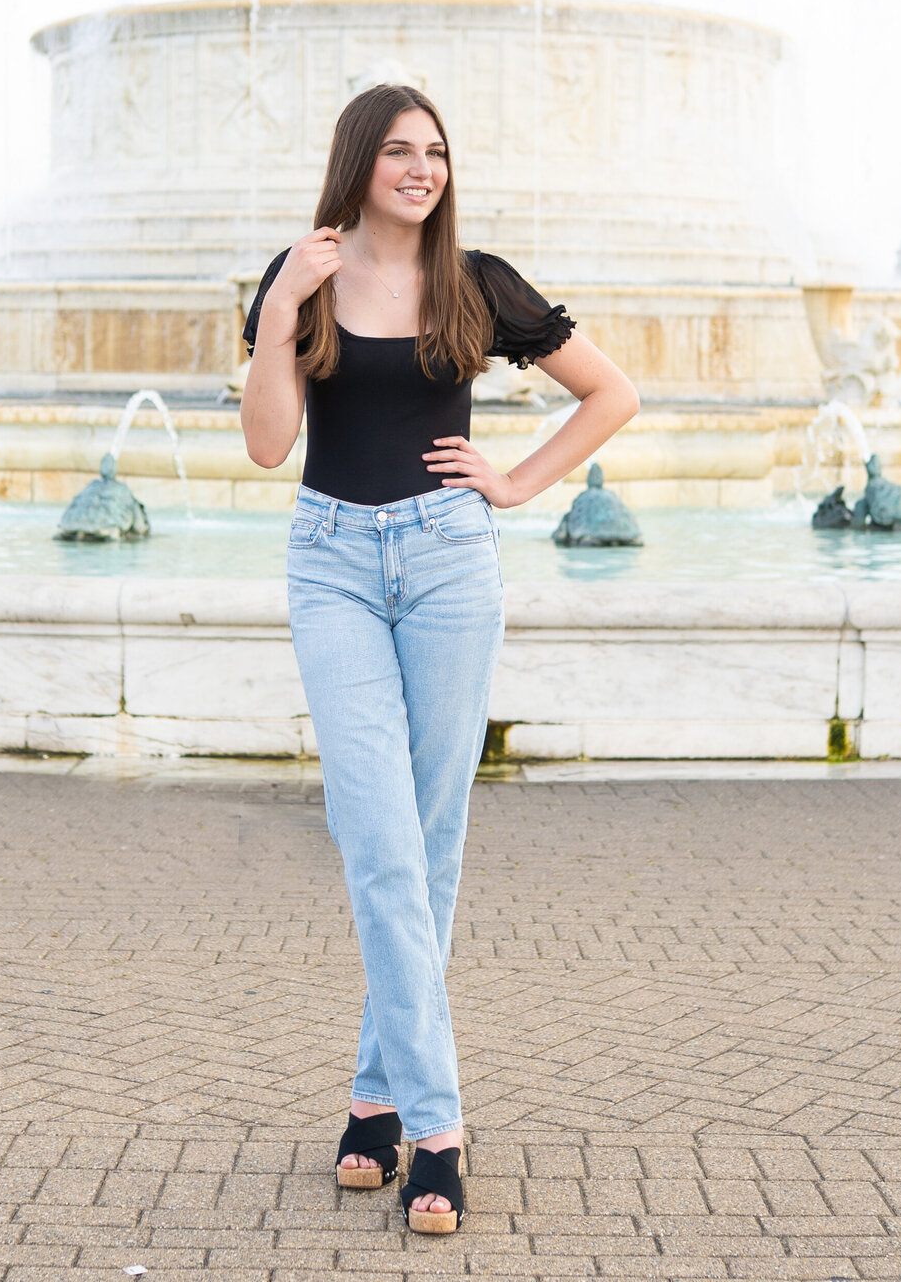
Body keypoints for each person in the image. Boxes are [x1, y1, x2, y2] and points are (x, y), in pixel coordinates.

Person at [240, 82, 639, 1235]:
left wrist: (512, 484)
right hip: (330, 561)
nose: (422, 169)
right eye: (400, 151)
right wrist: (279, 317)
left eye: (438, 152)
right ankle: (440, 1124)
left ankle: (374, 1102)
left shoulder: (476, 284)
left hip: (450, 558)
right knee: (376, 835)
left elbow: (612, 393)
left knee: (430, 833)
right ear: (358, 161)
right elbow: (270, 445)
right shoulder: (299, 273)